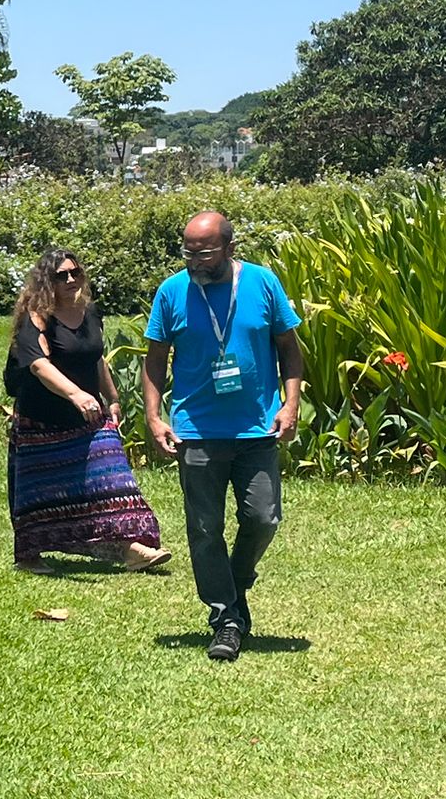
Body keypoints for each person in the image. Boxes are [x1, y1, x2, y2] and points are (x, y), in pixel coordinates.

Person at [143, 210, 304, 662]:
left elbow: (289, 350)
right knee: (204, 528)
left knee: (263, 518)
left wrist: (290, 405)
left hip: (256, 427)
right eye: (188, 251)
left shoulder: (262, 283)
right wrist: (155, 418)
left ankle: (235, 580)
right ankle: (226, 618)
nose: (195, 259)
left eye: (205, 251)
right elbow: (155, 360)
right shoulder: (172, 292)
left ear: (230, 248)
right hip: (197, 429)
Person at [6, 248, 170, 576]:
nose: (70, 279)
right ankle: (30, 555)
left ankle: (132, 549)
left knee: (112, 477)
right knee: (41, 492)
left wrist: (112, 397)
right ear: (45, 282)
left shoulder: (90, 313)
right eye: (61, 275)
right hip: (42, 419)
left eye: (75, 273)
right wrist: (76, 394)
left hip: (89, 419)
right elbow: (38, 365)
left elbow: (95, 358)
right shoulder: (36, 316)